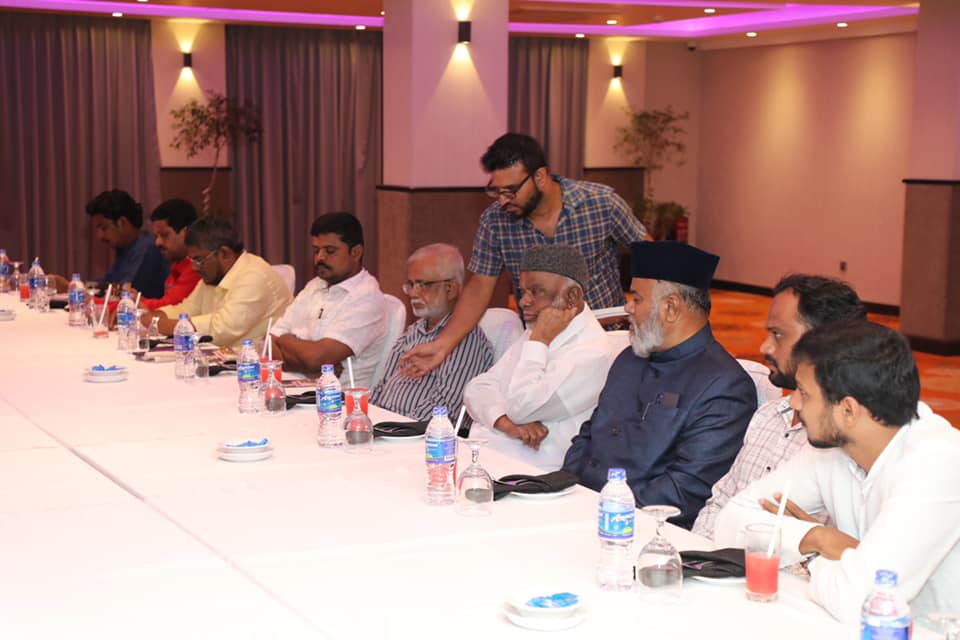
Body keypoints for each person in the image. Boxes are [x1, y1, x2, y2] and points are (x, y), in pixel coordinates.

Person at [715, 321, 960, 622]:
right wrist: (820, 538)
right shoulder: (834, 448)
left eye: (804, 393)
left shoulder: (937, 463)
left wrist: (813, 558)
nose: (794, 403)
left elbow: (860, 601)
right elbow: (728, 523)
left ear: (848, 410)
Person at [399, 133, 645, 378]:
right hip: (540, 345)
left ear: (540, 177)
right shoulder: (495, 221)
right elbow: (480, 287)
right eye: (496, 191)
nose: (503, 201)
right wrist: (442, 345)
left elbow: (649, 256)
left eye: (511, 191)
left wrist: (641, 309)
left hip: (605, 338)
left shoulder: (600, 203)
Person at [562, 241, 757, 529]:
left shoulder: (725, 386)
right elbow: (588, 436)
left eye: (637, 299)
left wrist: (605, 510)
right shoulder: (629, 359)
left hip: (642, 530)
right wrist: (570, 494)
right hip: (579, 511)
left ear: (671, 308)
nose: (627, 307)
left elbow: (685, 490)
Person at [691, 274, 867, 538]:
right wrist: (697, 553)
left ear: (822, 342)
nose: (764, 346)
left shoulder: (848, 444)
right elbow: (720, 502)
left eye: (778, 334)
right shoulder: (768, 416)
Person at [463, 244, 615, 471]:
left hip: (534, 474)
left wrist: (539, 342)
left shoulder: (593, 354)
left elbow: (521, 407)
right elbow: (477, 388)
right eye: (523, 291)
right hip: (485, 458)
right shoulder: (537, 329)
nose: (523, 301)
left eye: (536, 291)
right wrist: (506, 423)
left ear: (572, 297)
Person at [369, 244, 493, 421]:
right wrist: (367, 418)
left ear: (450, 289)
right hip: (385, 426)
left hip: (420, 433)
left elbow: (446, 408)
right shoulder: (413, 332)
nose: (413, 293)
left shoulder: (466, 339)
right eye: (411, 284)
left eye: (423, 285)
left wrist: (394, 428)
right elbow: (382, 387)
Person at [270, 213, 387, 385]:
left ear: (356, 252)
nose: (320, 258)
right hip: (294, 388)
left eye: (330, 251)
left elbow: (316, 358)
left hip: (337, 398)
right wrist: (309, 367)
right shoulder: (314, 285)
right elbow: (269, 345)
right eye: (316, 251)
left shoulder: (366, 298)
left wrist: (286, 340)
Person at [140, 216, 291, 347]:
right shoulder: (214, 276)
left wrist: (162, 324)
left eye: (199, 259)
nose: (194, 267)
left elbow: (222, 329)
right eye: (191, 260)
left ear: (224, 253)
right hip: (225, 360)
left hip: (255, 365)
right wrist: (155, 316)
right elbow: (187, 309)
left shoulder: (254, 275)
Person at [83, 189, 169, 297]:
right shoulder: (126, 247)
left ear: (122, 222)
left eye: (104, 228)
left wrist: (83, 289)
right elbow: (109, 283)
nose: (100, 236)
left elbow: (124, 291)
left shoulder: (146, 249)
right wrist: (79, 286)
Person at [131, 199, 201, 311]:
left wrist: (134, 302)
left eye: (164, 235)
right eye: (156, 236)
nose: (157, 242)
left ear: (186, 233)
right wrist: (135, 300)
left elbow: (171, 307)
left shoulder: (196, 266)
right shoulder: (177, 263)